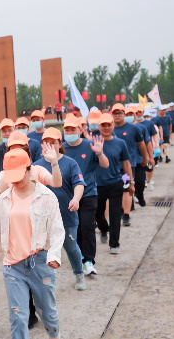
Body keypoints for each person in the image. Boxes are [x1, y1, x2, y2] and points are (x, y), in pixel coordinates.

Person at [0, 148, 64, 339]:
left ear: (30, 170)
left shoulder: (47, 197)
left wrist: (54, 256)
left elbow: (57, 229)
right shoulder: (3, 200)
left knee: (45, 308)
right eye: (11, 176)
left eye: (20, 174)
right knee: (17, 316)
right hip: (13, 265)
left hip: (40, 261)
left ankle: (54, 335)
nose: (16, 181)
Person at [34, 127, 86, 290]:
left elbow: (79, 184)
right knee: (43, 250)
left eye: (53, 143)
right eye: (46, 143)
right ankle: (46, 279)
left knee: (70, 246)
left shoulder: (70, 163)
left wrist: (76, 199)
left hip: (66, 214)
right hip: (43, 217)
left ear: (60, 144)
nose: (50, 146)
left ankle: (79, 273)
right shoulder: (36, 166)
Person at [62, 119, 109, 276]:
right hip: (70, 196)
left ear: (80, 129)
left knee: (87, 225)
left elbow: (105, 165)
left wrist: (100, 153)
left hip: (88, 192)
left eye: (72, 129)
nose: (69, 133)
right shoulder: (62, 148)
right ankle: (80, 257)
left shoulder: (89, 146)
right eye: (67, 130)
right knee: (76, 228)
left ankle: (89, 261)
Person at [95, 113, 131, 255]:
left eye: (109, 125)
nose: (106, 127)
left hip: (115, 182)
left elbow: (126, 163)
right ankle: (104, 229)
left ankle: (114, 244)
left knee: (115, 215)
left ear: (113, 126)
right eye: (103, 125)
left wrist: (130, 182)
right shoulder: (93, 142)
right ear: (99, 127)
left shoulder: (120, 143)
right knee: (98, 214)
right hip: (97, 185)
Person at [111, 103, 147, 227]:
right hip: (112, 167)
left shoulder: (133, 128)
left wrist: (146, 157)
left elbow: (141, 144)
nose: (117, 115)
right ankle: (120, 211)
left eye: (119, 113)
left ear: (124, 114)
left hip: (127, 165)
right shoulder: (109, 129)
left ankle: (126, 215)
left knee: (127, 188)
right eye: (115, 113)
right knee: (117, 191)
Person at [127, 106, 154, 206]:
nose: (129, 116)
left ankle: (140, 196)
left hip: (139, 160)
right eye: (127, 114)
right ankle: (129, 206)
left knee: (140, 182)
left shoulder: (141, 128)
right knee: (127, 184)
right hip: (126, 164)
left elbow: (147, 143)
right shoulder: (118, 129)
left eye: (131, 114)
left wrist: (150, 157)